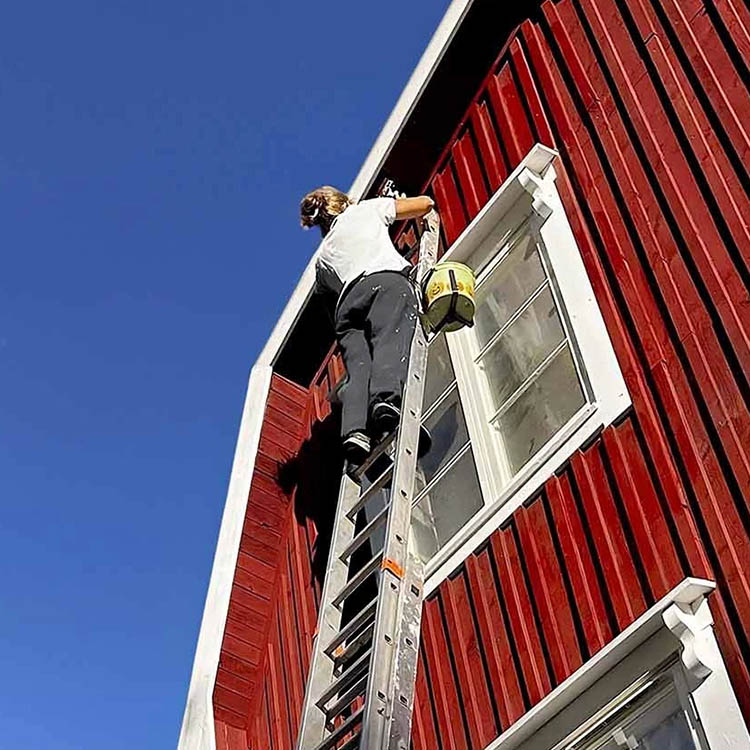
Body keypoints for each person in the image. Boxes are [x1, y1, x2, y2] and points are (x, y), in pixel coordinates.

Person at [300, 185, 435, 466]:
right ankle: (386, 402)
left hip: (346, 310)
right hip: (384, 283)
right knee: (390, 338)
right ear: (344, 203)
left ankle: (355, 432)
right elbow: (425, 203)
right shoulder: (365, 210)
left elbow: (329, 300)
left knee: (359, 370)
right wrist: (401, 203)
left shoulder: (323, 257)